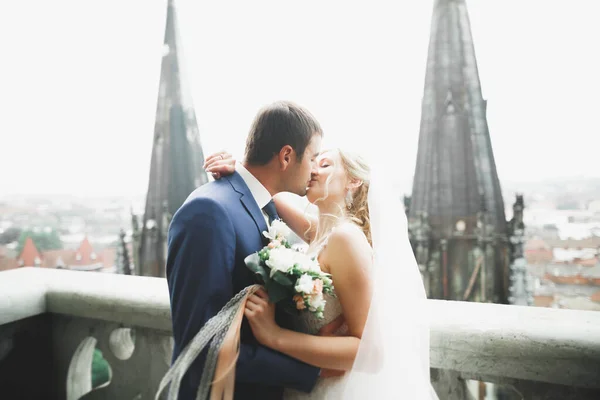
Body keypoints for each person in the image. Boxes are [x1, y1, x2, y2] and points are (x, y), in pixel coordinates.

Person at [205, 147, 438, 399]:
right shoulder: (321, 233)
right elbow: (266, 191)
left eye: (325, 165)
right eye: (312, 162)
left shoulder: (345, 238)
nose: (312, 169)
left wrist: (274, 336)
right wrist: (238, 168)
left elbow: (371, 353)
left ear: (354, 181)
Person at [165, 100, 327, 400]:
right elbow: (201, 346)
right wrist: (313, 371)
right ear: (287, 156)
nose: (316, 169)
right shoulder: (208, 211)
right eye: (314, 157)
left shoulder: (266, 207)